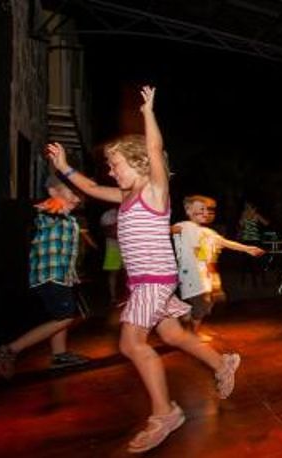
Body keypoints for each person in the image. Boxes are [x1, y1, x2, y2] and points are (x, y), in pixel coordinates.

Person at [45, 86, 240, 453]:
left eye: (115, 164)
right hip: (145, 282)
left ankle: (165, 412)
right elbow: (90, 186)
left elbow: (153, 148)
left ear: (138, 163)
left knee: (131, 343)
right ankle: (222, 362)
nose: (110, 170)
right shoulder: (125, 196)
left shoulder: (154, 191)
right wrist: (64, 167)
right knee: (173, 335)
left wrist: (148, 113)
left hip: (154, 280)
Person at [0, 175, 90, 378]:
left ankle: (59, 355)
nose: (76, 199)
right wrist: (50, 204)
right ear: (53, 192)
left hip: (60, 276)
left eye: (78, 195)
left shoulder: (68, 218)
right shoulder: (50, 213)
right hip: (51, 276)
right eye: (72, 194)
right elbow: (43, 211)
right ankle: (9, 349)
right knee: (65, 317)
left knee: (59, 315)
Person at [173, 195, 263, 340]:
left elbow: (227, 243)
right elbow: (172, 229)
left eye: (206, 209)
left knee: (207, 303)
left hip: (204, 276)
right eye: (201, 209)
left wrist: (248, 249)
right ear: (188, 211)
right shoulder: (185, 226)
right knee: (202, 304)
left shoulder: (209, 233)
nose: (205, 212)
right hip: (190, 276)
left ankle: (186, 316)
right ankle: (192, 332)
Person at [100, 206, 125, 305]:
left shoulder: (129, 211)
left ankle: (128, 296)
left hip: (128, 246)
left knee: (129, 273)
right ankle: (113, 297)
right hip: (113, 248)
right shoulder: (108, 215)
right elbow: (108, 232)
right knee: (113, 273)